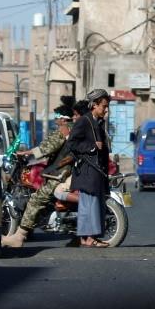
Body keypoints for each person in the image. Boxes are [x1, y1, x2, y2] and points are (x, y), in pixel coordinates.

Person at [1, 96, 77, 248]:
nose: (55, 120)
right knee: (43, 199)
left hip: (60, 173)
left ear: (63, 119)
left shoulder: (63, 130)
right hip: (65, 170)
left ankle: (19, 237)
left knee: (36, 200)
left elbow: (46, 148)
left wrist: (26, 153)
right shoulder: (73, 128)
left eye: (57, 117)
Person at [69, 89, 111, 248]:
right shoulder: (84, 121)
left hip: (97, 170)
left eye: (106, 106)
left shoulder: (98, 122)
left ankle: (90, 237)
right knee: (89, 204)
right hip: (87, 170)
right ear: (94, 105)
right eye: (103, 106)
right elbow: (72, 143)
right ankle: (87, 238)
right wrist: (92, 147)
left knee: (95, 204)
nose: (105, 110)